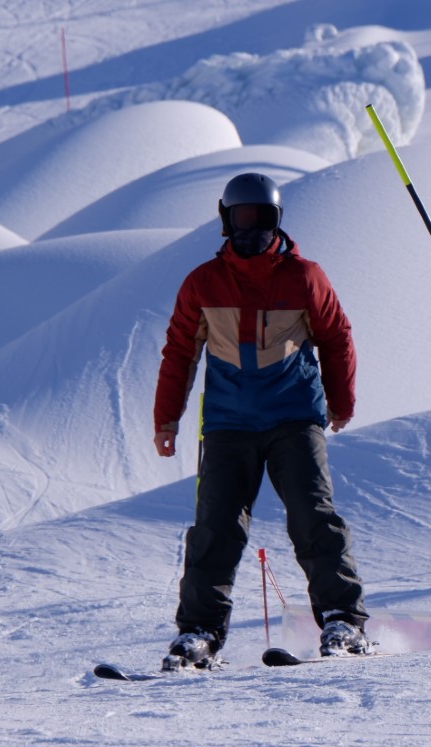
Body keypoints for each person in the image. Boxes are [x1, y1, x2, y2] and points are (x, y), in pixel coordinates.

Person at [153, 172, 370, 670]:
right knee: (215, 527)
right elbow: (180, 351)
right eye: (241, 219)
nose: (251, 230)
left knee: (314, 516)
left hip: (294, 415)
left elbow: (336, 337)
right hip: (229, 423)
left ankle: (342, 621)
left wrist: (342, 401)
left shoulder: (304, 276)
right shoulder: (203, 282)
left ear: (277, 221)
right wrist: (168, 420)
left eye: (262, 219)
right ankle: (200, 634)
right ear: (226, 220)